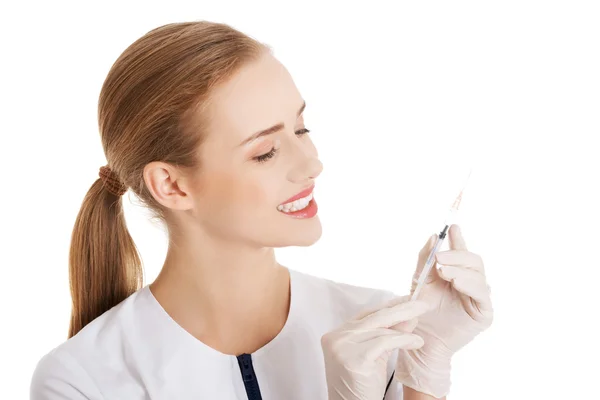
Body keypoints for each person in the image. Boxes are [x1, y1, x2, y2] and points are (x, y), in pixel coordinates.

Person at [30, 21, 493, 400]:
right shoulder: (83, 381)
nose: (312, 163)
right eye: (266, 151)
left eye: (301, 127)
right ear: (171, 185)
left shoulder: (376, 332)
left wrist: (425, 371)